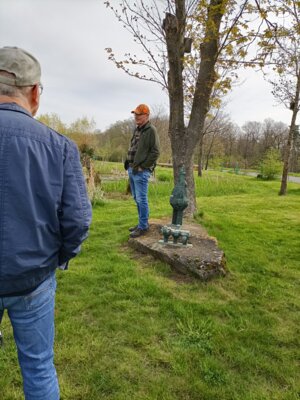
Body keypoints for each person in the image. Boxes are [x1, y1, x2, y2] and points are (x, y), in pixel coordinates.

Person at [0, 47, 92, 400]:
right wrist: (57, 258)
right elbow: (78, 220)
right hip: (34, 277)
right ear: (35, 92)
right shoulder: (60, 147)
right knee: (38, 367)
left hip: (34, 275)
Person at [124, 104, 160, 238]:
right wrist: (129, 165)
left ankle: (143, 227)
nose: (136, 117)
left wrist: (143, 166)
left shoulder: (151, 130)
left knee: (141, 199)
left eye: (139, 114)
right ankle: (141, 224)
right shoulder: (137, 129)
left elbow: (155, 152)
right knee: (136, 198)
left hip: (141, 171)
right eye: (135, 114)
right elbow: (134, 148)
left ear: (146, 115)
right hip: (132, 169)